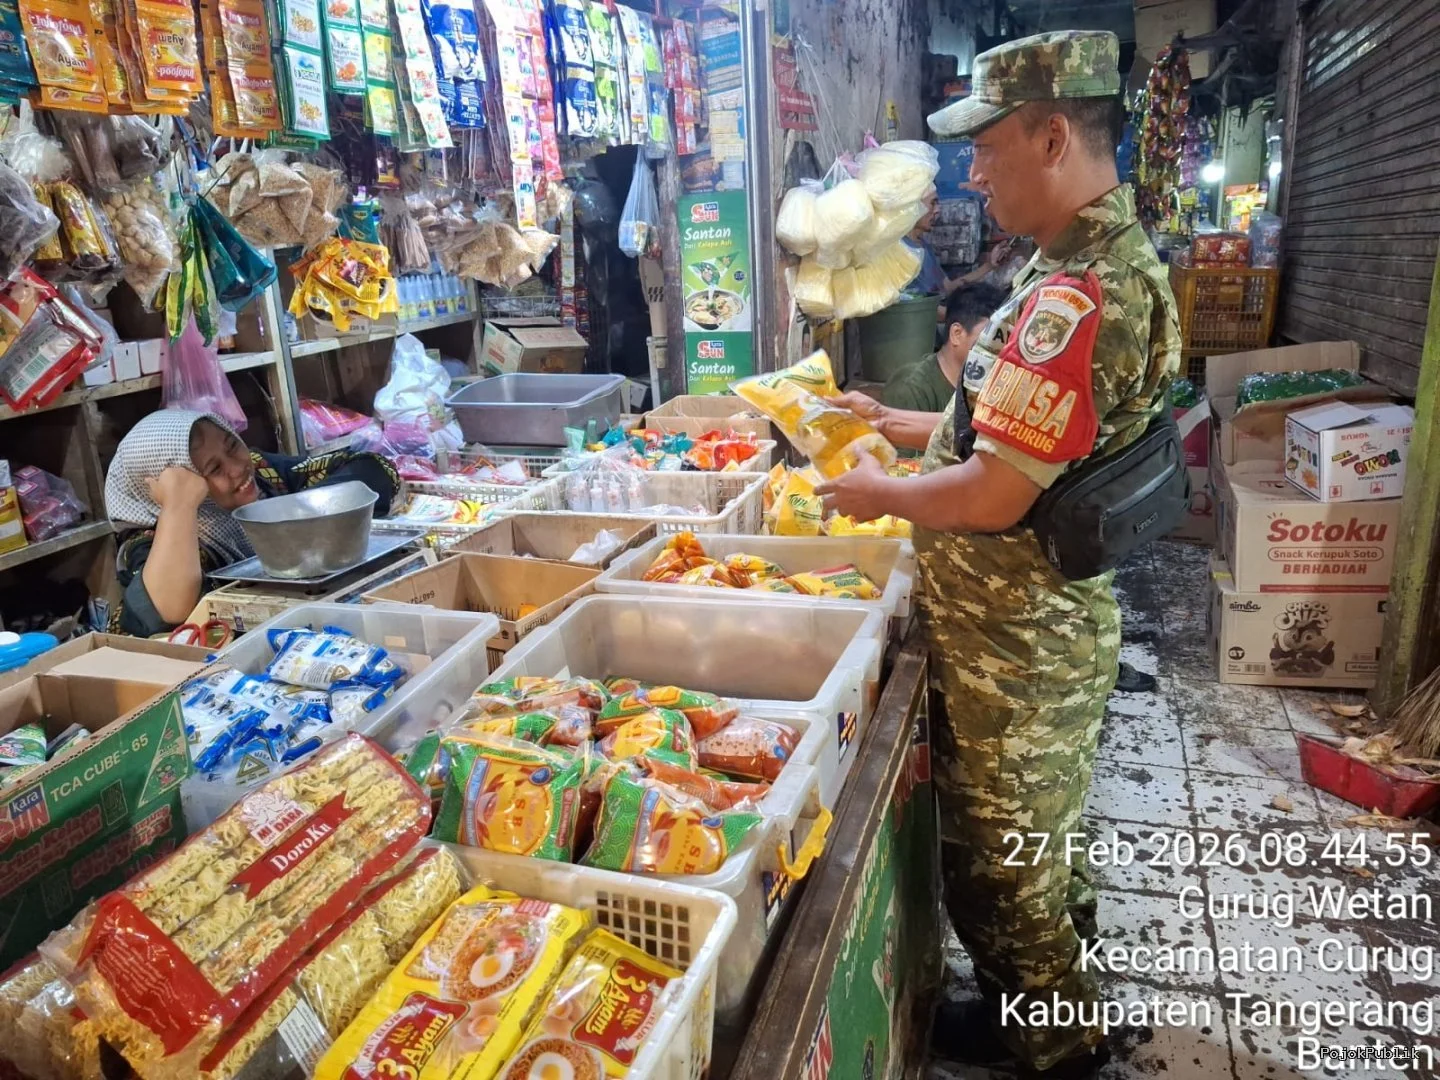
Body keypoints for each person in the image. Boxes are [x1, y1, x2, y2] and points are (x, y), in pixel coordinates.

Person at [817, 30, 1180, 1080]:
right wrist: (890, 421)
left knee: (1006, 870)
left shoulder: (1083, 293)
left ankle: (1059, 1052)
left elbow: (992, 491)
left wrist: (883, 496)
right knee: (1036, 860)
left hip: (1016, 648)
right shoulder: (1073, 263)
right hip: (1017, 633)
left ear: (1053, 134)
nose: (972, 173)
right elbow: (1000, 436)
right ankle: (1043, 1009)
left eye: (987, 148)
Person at [104, 409, 401, 637]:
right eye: (213, 468)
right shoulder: (150, 541)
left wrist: (298, 517)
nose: (236, 467)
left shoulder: (261, 475)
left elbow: (369, 465)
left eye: (232, 445)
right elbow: (162, 612)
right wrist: (179, 506)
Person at [884, 282, 1008, 418]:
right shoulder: (911, 388)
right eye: (990, 340)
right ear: (956, 334)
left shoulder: (992, 388)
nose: (999, 350)